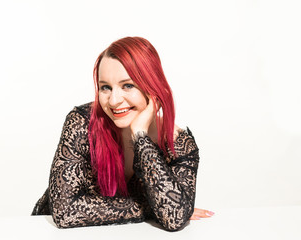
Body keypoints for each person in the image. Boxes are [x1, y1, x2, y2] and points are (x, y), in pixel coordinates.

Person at [31, 36, 214, 231]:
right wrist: (154, 207)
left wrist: (140, 137)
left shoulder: (178, 144)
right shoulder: (82, 122)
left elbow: (174, 218)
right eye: (105, 88)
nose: (114, 100)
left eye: (128, 85)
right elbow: (65, 212)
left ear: (153, 87)